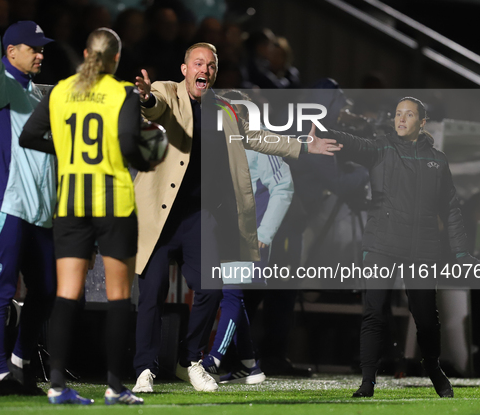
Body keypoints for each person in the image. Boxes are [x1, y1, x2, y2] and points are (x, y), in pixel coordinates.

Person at [131, 42, 341, 393]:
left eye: (211, 65)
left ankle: (190, 361)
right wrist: (145, 98)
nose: (206, 70)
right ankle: (144, 369)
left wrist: (304, 146)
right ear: (185, 69)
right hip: (160, 216)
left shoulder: (224, 108)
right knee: (152, 293)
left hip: (199, 217)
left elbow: (257, 137)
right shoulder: (166, 91)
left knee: (212, 289)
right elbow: (153, 107)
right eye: (198, 63)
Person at [20, 27, 151, 405]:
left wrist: (63, 150)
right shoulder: (122, 92)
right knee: (118, 296)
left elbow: (28, 136)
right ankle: (115, 386)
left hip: (71, 203)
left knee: (65, 294)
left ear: (84, 53)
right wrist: (148, 158)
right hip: (113, 201)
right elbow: (128, 144)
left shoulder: (61, 90)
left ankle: (57, 385)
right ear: (116, 58)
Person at [316, 97, 470, 398]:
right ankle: (368, 380)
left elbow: (450, 208)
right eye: (398, 114)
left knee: (426, 318)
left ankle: (434, 369)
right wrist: (328, 131)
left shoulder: (437, 161)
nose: (401, 119)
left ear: (421, 122)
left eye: (408, 115)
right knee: (373, 312)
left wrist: (460, 251)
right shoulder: (381, 149)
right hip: (381, 244)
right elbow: (354, 143)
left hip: (422, 248)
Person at [0, 10, 57, 395]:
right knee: (1, 292)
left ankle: (18, 361)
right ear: (11, 50)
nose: (40, 55)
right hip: (5, 205)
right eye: (33, 49)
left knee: (47, 289)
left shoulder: (33, 92)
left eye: (41, 49)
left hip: (37, 212)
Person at [201, 92, 295, 383]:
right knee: (234, 295)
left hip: (249, 235)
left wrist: (265, 233)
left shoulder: (260, 145)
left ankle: (213, 361)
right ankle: (249, 364)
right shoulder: (220, 145)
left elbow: (283, 188)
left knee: (230, 293)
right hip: (227, 230)